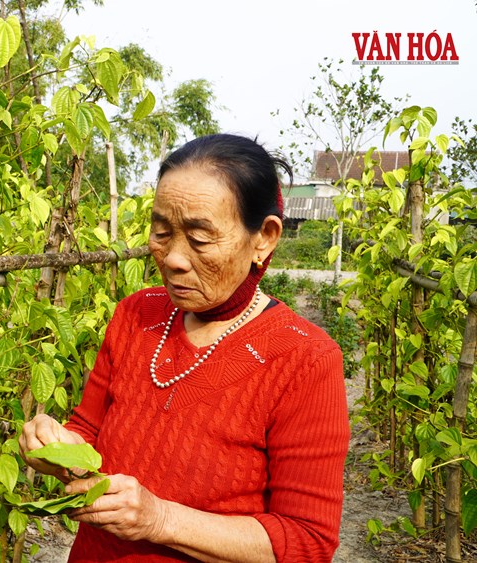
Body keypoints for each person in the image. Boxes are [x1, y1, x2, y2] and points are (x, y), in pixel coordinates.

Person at [19, 134, 350, 562]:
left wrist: (160, 520)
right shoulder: (137, 315)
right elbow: (90, 431)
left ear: (264, 237)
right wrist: (58, 445)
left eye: (199, 237)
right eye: (161, 232)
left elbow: (306, 542)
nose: (173, 257)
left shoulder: (304, 359)